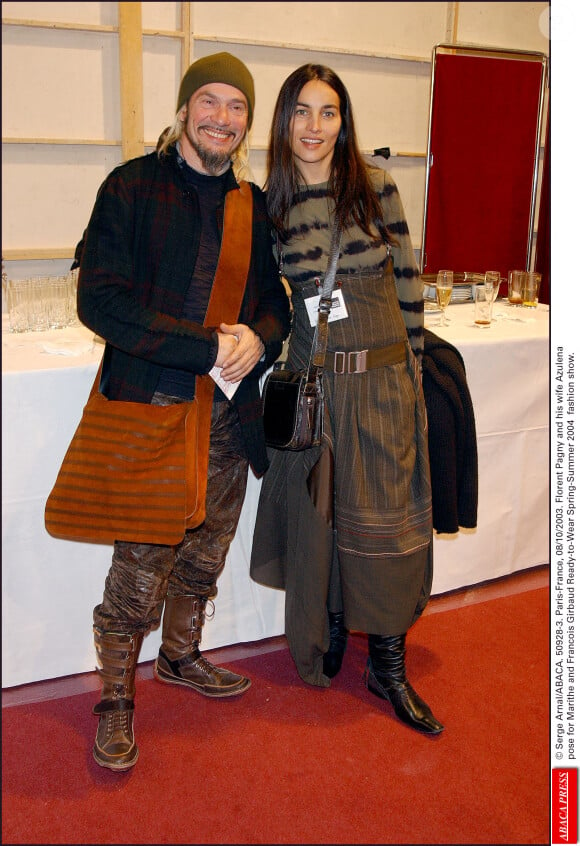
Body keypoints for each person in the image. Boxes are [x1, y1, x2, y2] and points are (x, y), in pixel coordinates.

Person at [75, 52, 291, 771]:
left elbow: (273, 301)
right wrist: (204, 346)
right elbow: (100, 301)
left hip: (230, 415)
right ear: (184, 108)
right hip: (153, 408)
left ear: (247, 124)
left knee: (206, 551)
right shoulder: (131, 187)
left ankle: (180, 656)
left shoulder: (252, 204)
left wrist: (259, 335)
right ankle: (114, 699)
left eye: (237, 107)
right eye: (210, 101)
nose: (222, 118)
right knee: (139, 568)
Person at [250, 63, 443, 735]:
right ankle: (331, 627)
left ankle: (388, 663)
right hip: (315, 383)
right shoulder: (268, 203)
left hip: (383, 378)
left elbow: (410, 285)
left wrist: (413, 377)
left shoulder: (376, 185)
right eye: (301, 111)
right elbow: (268, 299)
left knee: (386, 524)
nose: (314, 126)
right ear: (284, 121)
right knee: (322, 518)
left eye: (328, 112)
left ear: (343, 119)